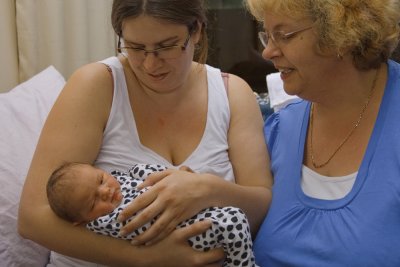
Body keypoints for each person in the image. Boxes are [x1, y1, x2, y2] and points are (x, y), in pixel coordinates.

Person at [18, 0, 272, 266]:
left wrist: (207, 189)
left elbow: (261, 205)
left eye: (166, 46)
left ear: (195, 30)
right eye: (136, 48)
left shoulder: (233, 94)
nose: (151, 65)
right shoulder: (97, 85)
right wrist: (144, 258)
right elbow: (32, 219)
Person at [245, 0, 400, 266]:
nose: (268, 52)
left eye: (284, 36)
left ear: (342, 34)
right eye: (267, 35)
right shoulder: (281, 128)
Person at [47, 162, 257, 267]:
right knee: (233, 220)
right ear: (81, 220)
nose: (105, 191)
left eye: (101, 180)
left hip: (198, 212)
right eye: (93, 201)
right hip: (187, 234)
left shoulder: (121, 179)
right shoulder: (107, 221)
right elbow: (139, 222)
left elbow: (146, 174)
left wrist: (178, 176)